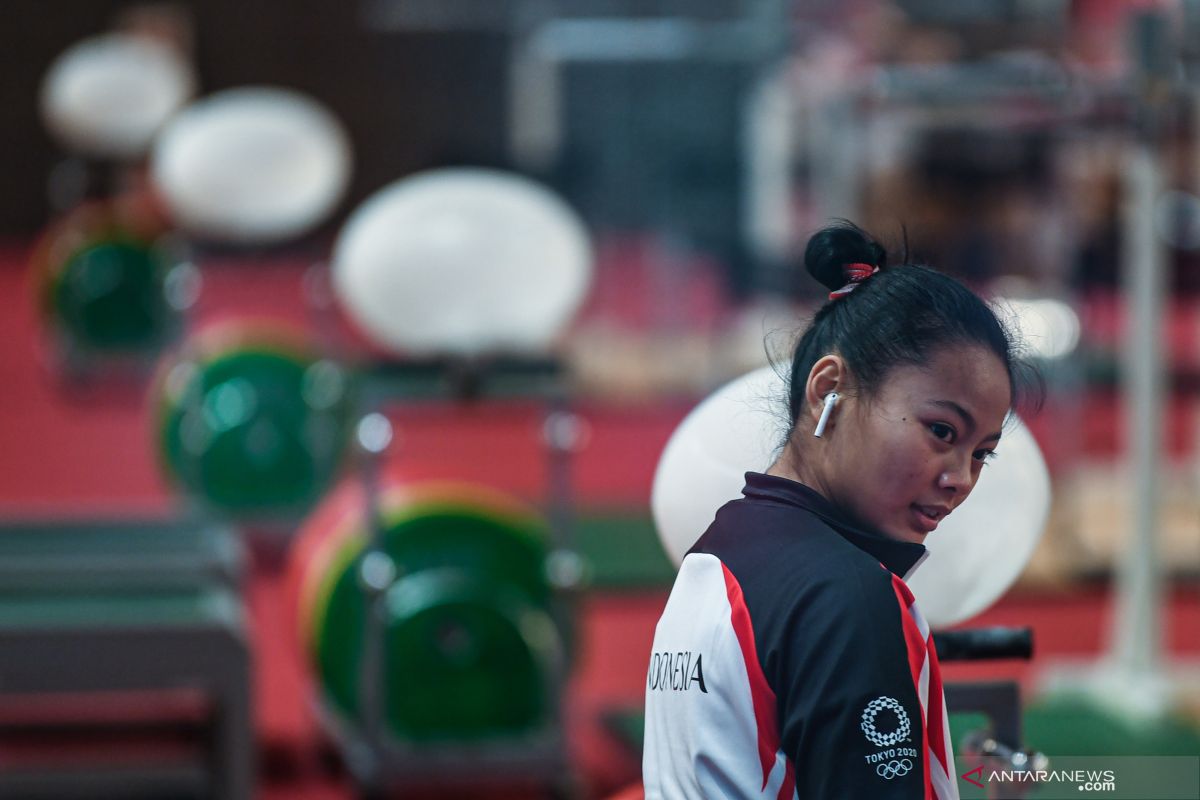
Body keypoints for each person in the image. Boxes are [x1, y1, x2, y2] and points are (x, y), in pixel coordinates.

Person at [642, 222, 1038, 799]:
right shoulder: (847, 597)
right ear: (830, 388)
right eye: (941, 430)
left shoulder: (721, 546)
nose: (960, 479)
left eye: (982, 453)